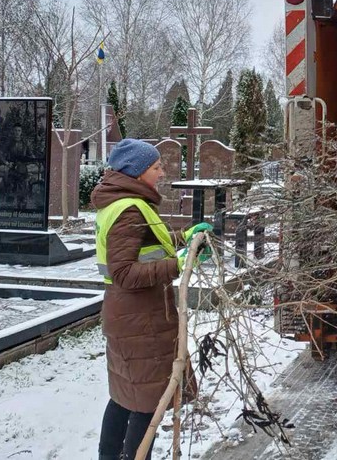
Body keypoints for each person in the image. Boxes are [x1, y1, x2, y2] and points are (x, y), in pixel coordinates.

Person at [92, 138, 211, 460]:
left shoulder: (125, 203)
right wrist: (179, 264)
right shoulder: (129, 209)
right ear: (138, 171)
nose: (162, 172)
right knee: (147, 401)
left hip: (131, 314)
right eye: (156, 167)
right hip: (139, 319)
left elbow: (145, 245)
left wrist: (184, 238)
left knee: (126, 395)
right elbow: (124, 272)